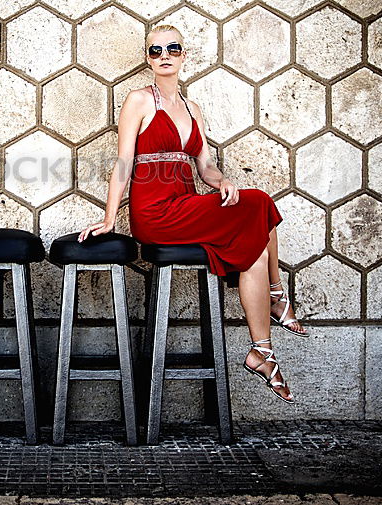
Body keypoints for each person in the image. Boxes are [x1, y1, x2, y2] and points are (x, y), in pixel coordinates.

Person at [77, 24, 307, 404]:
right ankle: (277, 295)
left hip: (187, 204)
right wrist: (109, 217)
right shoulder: (138, 100)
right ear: (148, 59)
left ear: (184, 55)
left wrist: (222, 182)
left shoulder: (193, 109)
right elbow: (123, 162)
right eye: (155, 50)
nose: (164, 55)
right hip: (157, 212)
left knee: (254, 241)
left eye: (172, 48)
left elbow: (206, 168)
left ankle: (262, 352)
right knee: (260, 204)